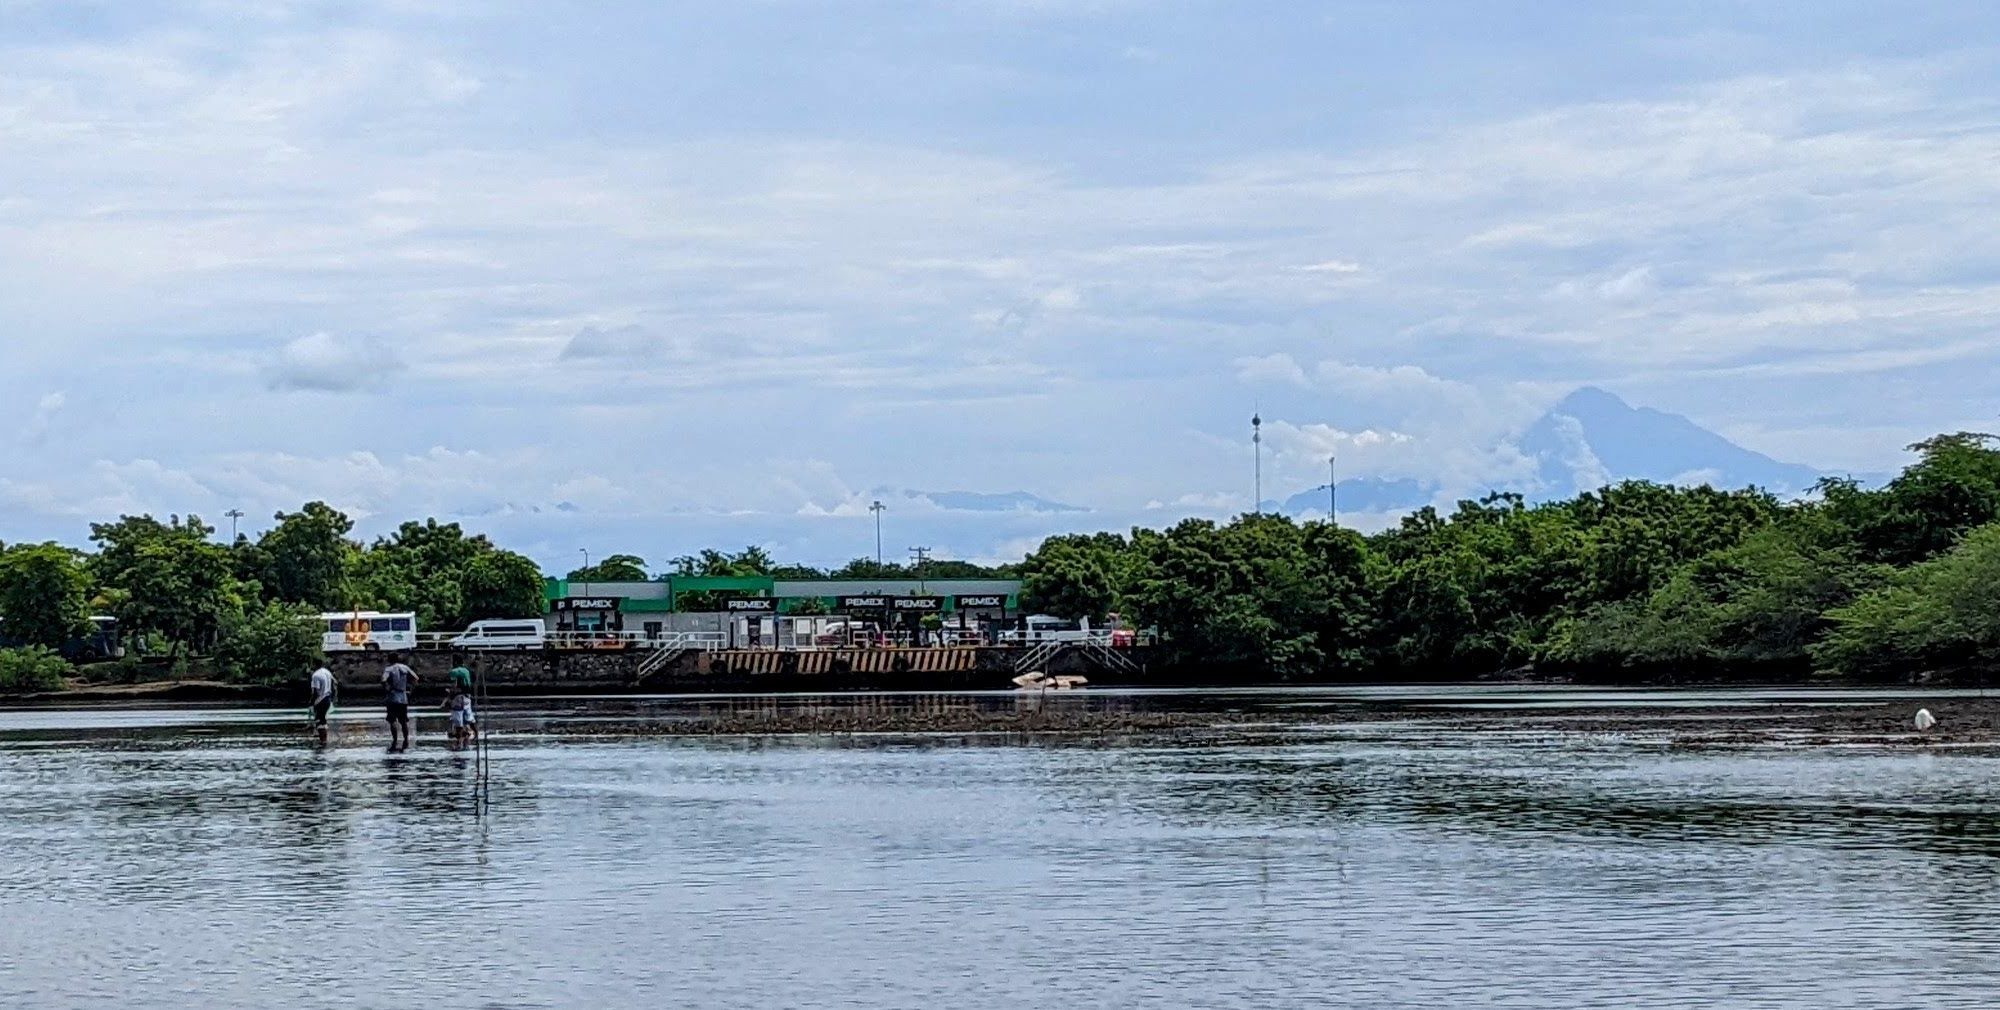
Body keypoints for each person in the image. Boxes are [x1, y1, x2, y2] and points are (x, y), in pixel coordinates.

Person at [381, 659, 419, 753]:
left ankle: (395, 739)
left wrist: (387, 689)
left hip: (393, 697)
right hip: (403, 697)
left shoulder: (389, 669)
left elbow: (383, 680)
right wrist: (411, 690)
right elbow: (416, 678)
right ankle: (406, 738)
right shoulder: (405, 668)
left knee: (392, 719)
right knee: (403, 720)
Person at [308, 662, 336, 745]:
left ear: (314, 665)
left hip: (320, 700)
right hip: (328, 699)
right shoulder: (327, 672)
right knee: (323, 720)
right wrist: (333, 698)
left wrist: (311, 703)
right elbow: (334, 684)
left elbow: (315, 692)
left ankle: (323, 740)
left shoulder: (315, 675)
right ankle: (324, 739)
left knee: (319, 720)